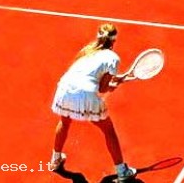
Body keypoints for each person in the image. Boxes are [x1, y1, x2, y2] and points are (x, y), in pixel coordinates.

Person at [50, 23, 137, 182]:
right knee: (109, 130)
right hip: (85, 93)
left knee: (65, 121)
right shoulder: (113, 58)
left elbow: (84, 74)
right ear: (114, 41)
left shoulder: (87, 50)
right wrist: (115, 83)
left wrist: (116, 80)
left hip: (65, 88)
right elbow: (103, 88)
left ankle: (55, 160)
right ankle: (122, 171)